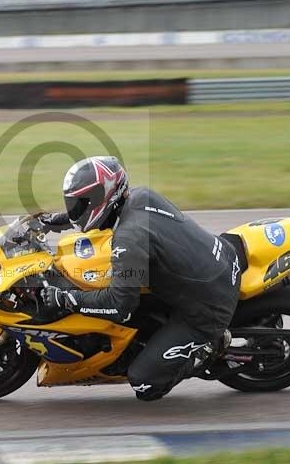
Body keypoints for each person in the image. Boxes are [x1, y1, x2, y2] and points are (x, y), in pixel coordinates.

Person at [39, 156, 243, 401]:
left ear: (102, 198)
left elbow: (119, 305)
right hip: (216, 260)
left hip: (208, 308)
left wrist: (67, 299)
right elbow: (100, 214)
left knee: (144, 383)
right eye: (74, 203)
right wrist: (59, 219)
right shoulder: (139, 196)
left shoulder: (129, 240)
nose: (76, 208)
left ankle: (208, 349)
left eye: (80, 203)